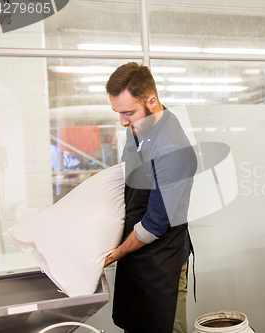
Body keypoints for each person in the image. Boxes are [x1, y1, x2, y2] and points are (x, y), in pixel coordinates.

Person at [104, 62, 197, 333]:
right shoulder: (137, 130)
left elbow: (154, 225)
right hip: (135, 258)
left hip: (162, 263)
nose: (122, 121)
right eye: (118, 113)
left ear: (152, 101)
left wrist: (115, 253)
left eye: (128, 113)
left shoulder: (173, 148)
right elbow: (126, 180)